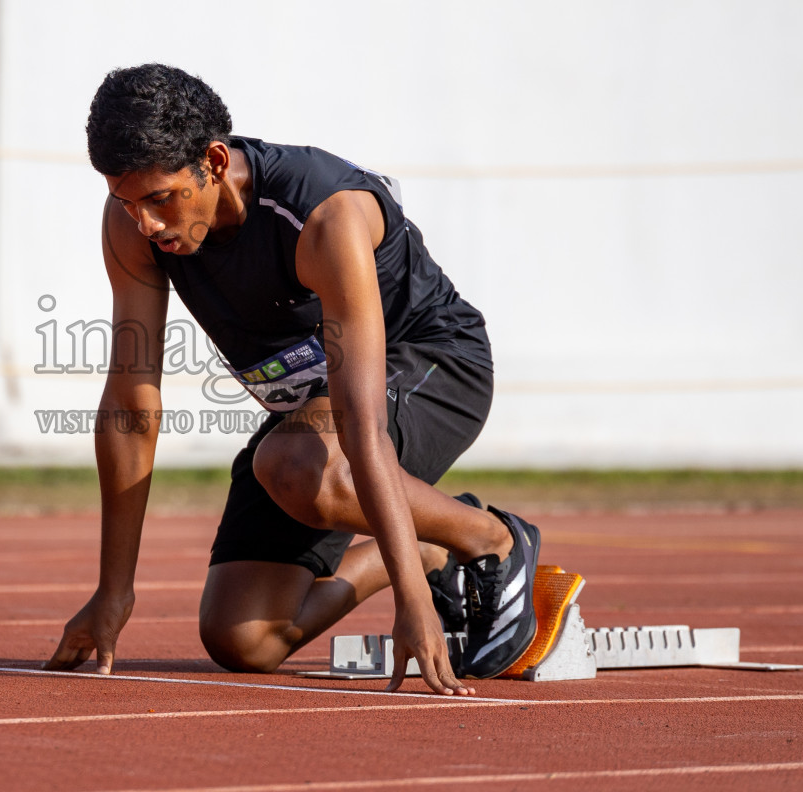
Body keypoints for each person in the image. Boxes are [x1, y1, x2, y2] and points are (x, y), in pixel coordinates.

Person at [44, 64, 541, 694]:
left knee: (298, 463)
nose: (145, 223)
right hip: (313, 415)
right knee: (242, 639)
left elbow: (362, 426)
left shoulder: (324, 218)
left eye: (160, 198)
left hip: (436, 366)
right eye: (124, 200)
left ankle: (492, 538)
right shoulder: (135, 230)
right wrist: (113, 591)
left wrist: (412, 604)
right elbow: (130, 406)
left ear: (215, 162)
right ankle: (427, 546)